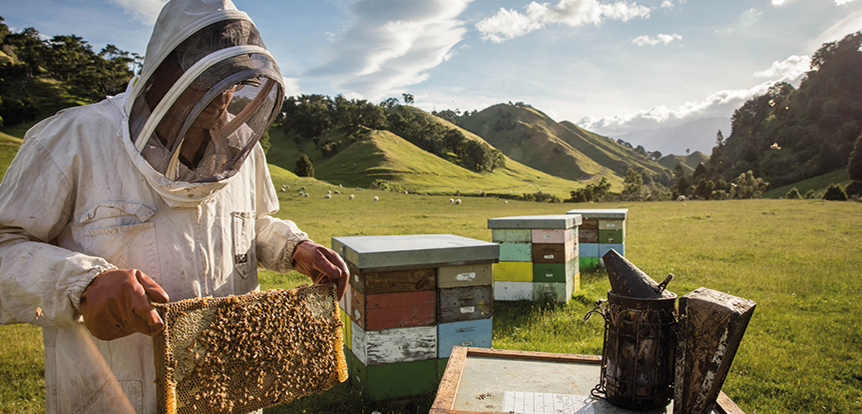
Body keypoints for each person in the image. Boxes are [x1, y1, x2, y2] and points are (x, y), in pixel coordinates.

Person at [0, 0, 349, 412]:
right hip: (116, 395)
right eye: (212, 78)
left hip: (230, 390)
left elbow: (250, 223)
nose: (226, 94)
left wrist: (293, 247)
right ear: (162, 71)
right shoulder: (72, 139)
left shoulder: (241, 151)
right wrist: (83, 284)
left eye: (235, 78)